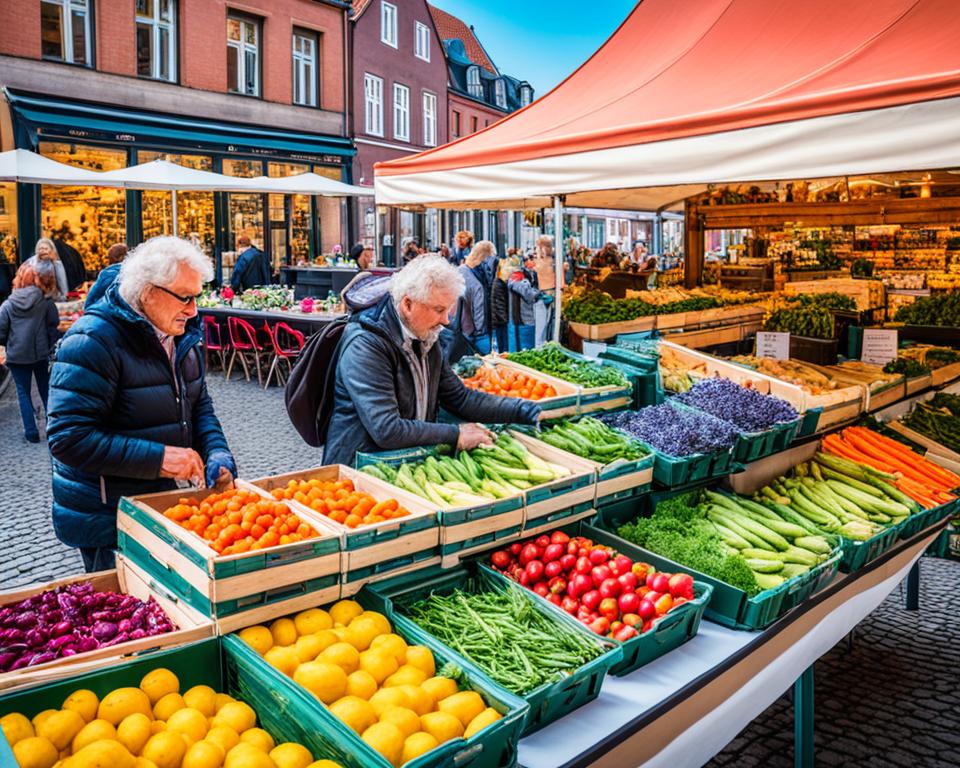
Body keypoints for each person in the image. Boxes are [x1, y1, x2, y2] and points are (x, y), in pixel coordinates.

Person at [46, 236, 237, 572]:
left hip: (159, 507)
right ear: (148, 292)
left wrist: (217, 452)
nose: (194, 309)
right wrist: (161, 459)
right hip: (107, 518)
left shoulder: (184, 335)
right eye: (185, 297)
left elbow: (199, 406)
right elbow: (68, 438)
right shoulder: (91, 341)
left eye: (198, 297)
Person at [323, 254, 540, 466]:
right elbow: (387, 429)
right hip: (359, 468)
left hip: (400, 463)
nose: (446, 320)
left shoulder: (424, 335)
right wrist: (456, 434)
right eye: (439, 310)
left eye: (448, 310)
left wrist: (527, 410)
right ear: (408, 305)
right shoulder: (366, 345)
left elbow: (460, 398)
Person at [0, 259, 60, 443]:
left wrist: (9, 343)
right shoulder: (44, 301)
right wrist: (48, 344)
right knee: (45, 390)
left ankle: (31, 432)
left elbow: (1, 331)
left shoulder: (8, 305)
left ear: (18, 280)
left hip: (17, 355)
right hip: (40, 353)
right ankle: (54, 429)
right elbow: (54, 323)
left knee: (23, 393)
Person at [508, 252, 551, 351]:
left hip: (524, 320)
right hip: (522, 321)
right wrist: (538, 293)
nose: (535, 262)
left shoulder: (525, 274)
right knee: (525, 349)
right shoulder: (516, 276)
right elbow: (527, 293)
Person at [455, 244, 492, 355]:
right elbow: (478, 307)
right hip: (474, 333)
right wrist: (480, 331)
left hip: (462, 328)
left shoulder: (461, 270)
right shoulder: (476, 278)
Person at [84, 243, 128, 309]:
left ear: (112, 258)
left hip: (106, 311)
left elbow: (92, 297)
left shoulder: (107, 274)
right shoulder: (133, 273)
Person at [490, 255, 516, 353]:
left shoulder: (499, 282)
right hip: (500, 322)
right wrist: (505, 320)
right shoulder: (499, 283)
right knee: (503, 347)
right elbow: (499, 305)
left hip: (499, 321)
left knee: (502, 346)